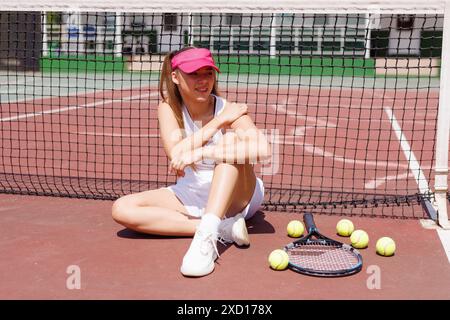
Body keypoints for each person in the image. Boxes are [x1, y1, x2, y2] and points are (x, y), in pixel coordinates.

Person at [112, 47, 271, 277]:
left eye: (208, 73)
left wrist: (203, 153)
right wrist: (217, 123)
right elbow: (176, 153)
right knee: (122, 208)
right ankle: (223, 229)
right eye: (194, 74)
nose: (203, 81)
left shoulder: (231, 110)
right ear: (175, 76)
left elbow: (263, 149)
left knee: (230, 145)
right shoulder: (168, 108)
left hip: (238, 193)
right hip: (192, 190)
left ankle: (206, 237)